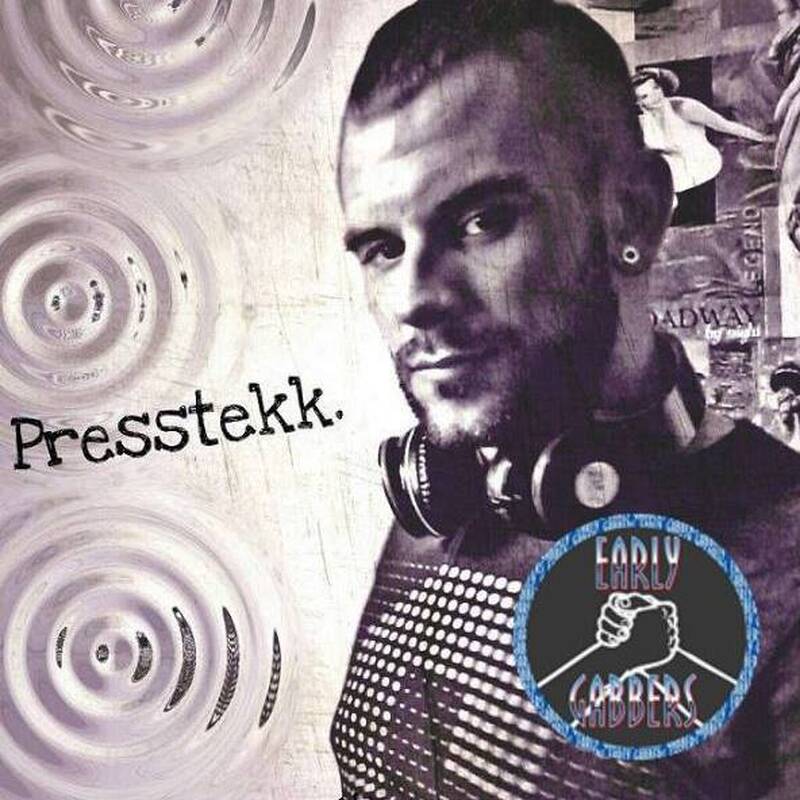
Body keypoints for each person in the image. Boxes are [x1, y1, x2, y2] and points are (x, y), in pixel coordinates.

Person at [332, 1, 800, 798]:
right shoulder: (436, 509)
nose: (411, 299)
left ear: (634, 216)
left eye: (481, 221)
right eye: (381, 248)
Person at [632, 67, 773, 226]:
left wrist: (762, 138)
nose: (651, 98)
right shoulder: (642, 121)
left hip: (702, 163)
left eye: (654, 90)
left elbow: (725, 125)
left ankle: (663, 211)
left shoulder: (684, 107)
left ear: (660, 88)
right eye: (641, 98)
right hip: (673, 166)